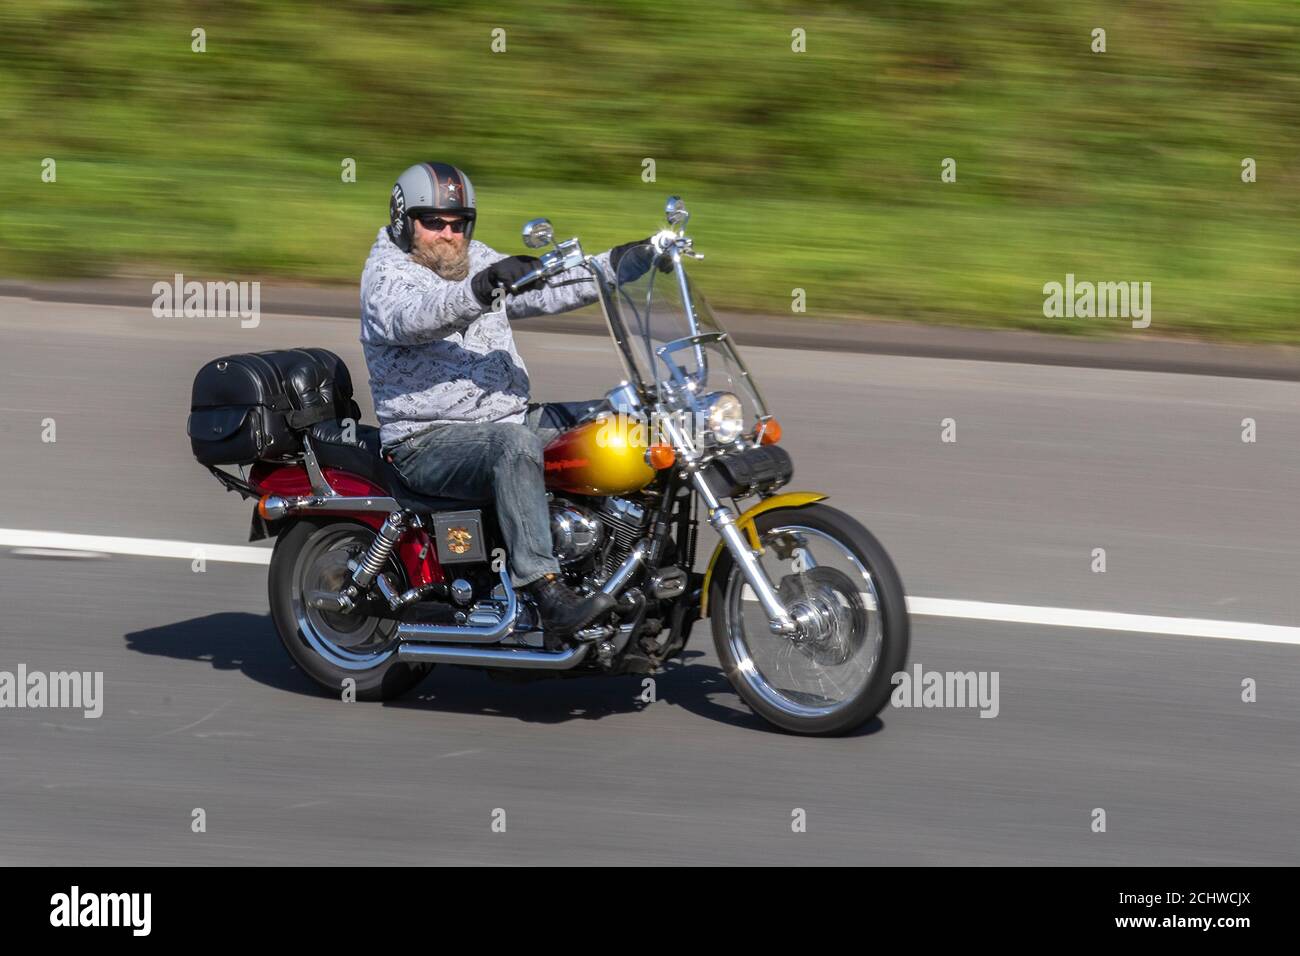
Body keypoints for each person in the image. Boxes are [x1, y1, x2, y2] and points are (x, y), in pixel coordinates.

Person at [359, 161, 645, 639]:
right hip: (426, 441)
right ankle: (544, 586)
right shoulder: (386, 279)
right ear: (403, 220)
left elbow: (545, 291)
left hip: (507, 417)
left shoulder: (468, 258)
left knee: (621, 424)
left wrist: (616, 265)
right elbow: (422, 316)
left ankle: (621, 567)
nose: (448, 235)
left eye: (459, 224)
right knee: (514, 446)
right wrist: (481, 288)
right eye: (434, 223)